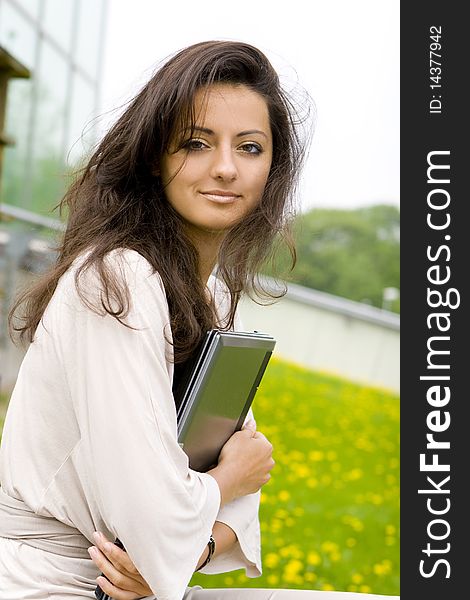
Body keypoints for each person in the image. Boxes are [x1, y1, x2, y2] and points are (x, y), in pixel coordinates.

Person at [0, 40, 398, 600]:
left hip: (144, 584)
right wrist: (216, 490)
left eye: (251, 147)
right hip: (56, 582)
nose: (227, 168)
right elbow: (186, 493)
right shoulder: (118, 279)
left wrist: (192, 539)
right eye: (196, 143)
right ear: (153, 156)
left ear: (273, 168)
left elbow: (237, 478)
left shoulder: (204, 290)